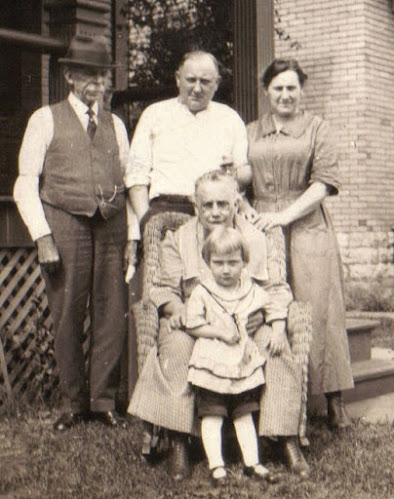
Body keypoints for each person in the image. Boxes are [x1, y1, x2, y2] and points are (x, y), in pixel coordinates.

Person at [129, 170, 310, 480]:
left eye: (223, 204)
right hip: (198, 326)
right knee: (176, 346)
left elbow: (276, 288)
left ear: (236, 204)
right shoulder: (179, 238)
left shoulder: (255, 237)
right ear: (196, 205)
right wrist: (182, 311)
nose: (215, 212)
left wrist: (269, 319)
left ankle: (286, 439)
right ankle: (178, 442)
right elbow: (162, 288)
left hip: (248, 324)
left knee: (276, 348)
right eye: (208, 204)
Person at [14, 35, 138, 431]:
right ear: (69, 75)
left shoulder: (116, 124)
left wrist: (132, 234)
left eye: (101, 75)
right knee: (67, 313)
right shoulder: (45, 118)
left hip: (111, 224)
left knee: (110, 313)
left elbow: (130, 178)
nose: (96, 82)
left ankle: (103, 401)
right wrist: (42, 236)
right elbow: (25, 182)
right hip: (64, 223)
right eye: (87, 73)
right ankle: (73, 403)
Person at [237, 58, 354, 429]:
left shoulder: (318, 128)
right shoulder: (251, 131)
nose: (285, 95)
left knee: (318, 305)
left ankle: (333, 401)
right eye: (278, 88)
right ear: (266, 91)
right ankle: (268, 396)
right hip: (259, 227)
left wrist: (284, 216)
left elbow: (323, 184)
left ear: (302, 91)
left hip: (306, 227)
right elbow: (237, 178)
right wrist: (249, 211)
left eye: (292, 88)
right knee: (265, 304)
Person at [185, 226, 285, 485]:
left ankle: (253, 462)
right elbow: (192, 323)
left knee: (244, 414)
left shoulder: (249, 288)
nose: (226, 269)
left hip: (241, 363)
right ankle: (216, 464)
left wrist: (277, 328)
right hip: (213, 361)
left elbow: (274, 303)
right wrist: (216, 331)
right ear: (207, 263)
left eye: (233, 262)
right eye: (218, 263)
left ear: (244, 263)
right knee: (213, 413)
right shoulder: (203, 291)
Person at [126, 49, 248, 248]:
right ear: (177, 79)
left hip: (215, 216)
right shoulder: (154, 114)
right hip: (164, 211)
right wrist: (146, 221)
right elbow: (136, 176)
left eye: (205, 81)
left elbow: (241, 174)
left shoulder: (230, 119)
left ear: (216, 84)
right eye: (191, 80)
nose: (197, 89)